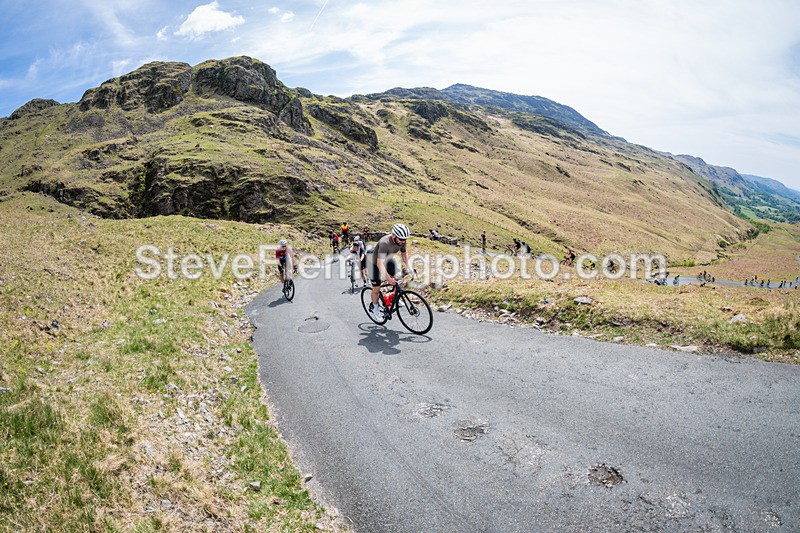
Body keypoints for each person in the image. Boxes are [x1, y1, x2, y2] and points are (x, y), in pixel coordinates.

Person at [368, 223, 413, 322]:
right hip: (374, 264)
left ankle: (394, 297)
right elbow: (380, 263)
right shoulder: (384, 243)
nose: (403, 241)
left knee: (399, 277)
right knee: (377, 288)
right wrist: (388, 278)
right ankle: (375, 308)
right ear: (394, 236)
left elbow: (404, 255)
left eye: (405, 239)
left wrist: (410, 268)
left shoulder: (402, 240)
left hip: (387, 260)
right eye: (401, 239)